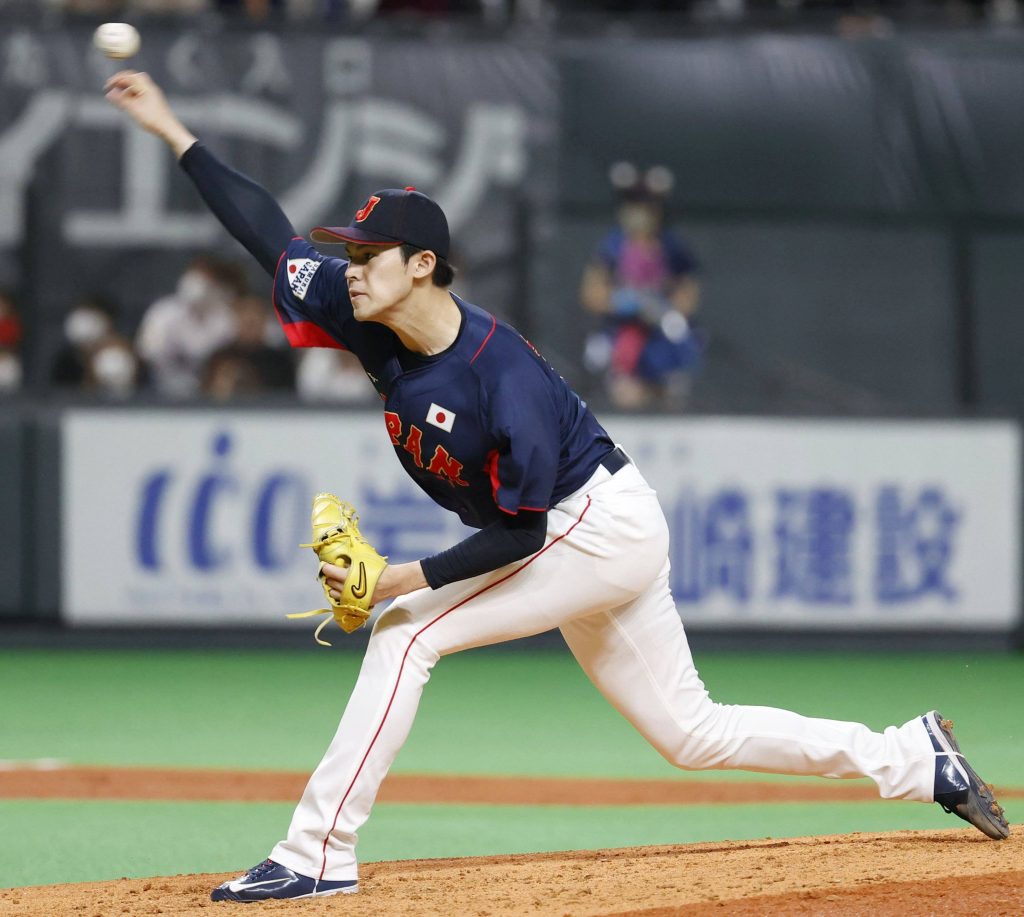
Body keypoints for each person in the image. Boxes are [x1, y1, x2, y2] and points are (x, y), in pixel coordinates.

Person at [104, 69, 1009, 903]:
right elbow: (268, 232)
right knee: (693, 735)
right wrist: (172, 130)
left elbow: (520, 537)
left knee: (405, 633)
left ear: (422, 265)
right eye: (353, 250)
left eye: (371, 253)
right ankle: (915, 758)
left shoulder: (506, 381)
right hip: (589, 528)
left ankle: (315, 855)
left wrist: (394, 578)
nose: (351, 266)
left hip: (591, 525)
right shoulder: (357, 298)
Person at [580, 163, 704, 410]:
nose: (638, 214)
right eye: (633, 206)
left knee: (678, 348)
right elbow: (592, 292)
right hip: (622, 333)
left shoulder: (671, 246)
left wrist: (664, 308)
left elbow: (688, 292)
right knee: (613, 373)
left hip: (661, 333)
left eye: (646, 206)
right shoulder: (613, 245)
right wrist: (621, 302)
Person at [135, 254, 246, 399]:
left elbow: (225, 357)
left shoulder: (224, 317)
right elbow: (147, 351)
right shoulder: (163, 311)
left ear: (215, 285)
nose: (196, 284)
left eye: (204, 279)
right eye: (194, 276)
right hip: (160, 385)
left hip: (207, 389)